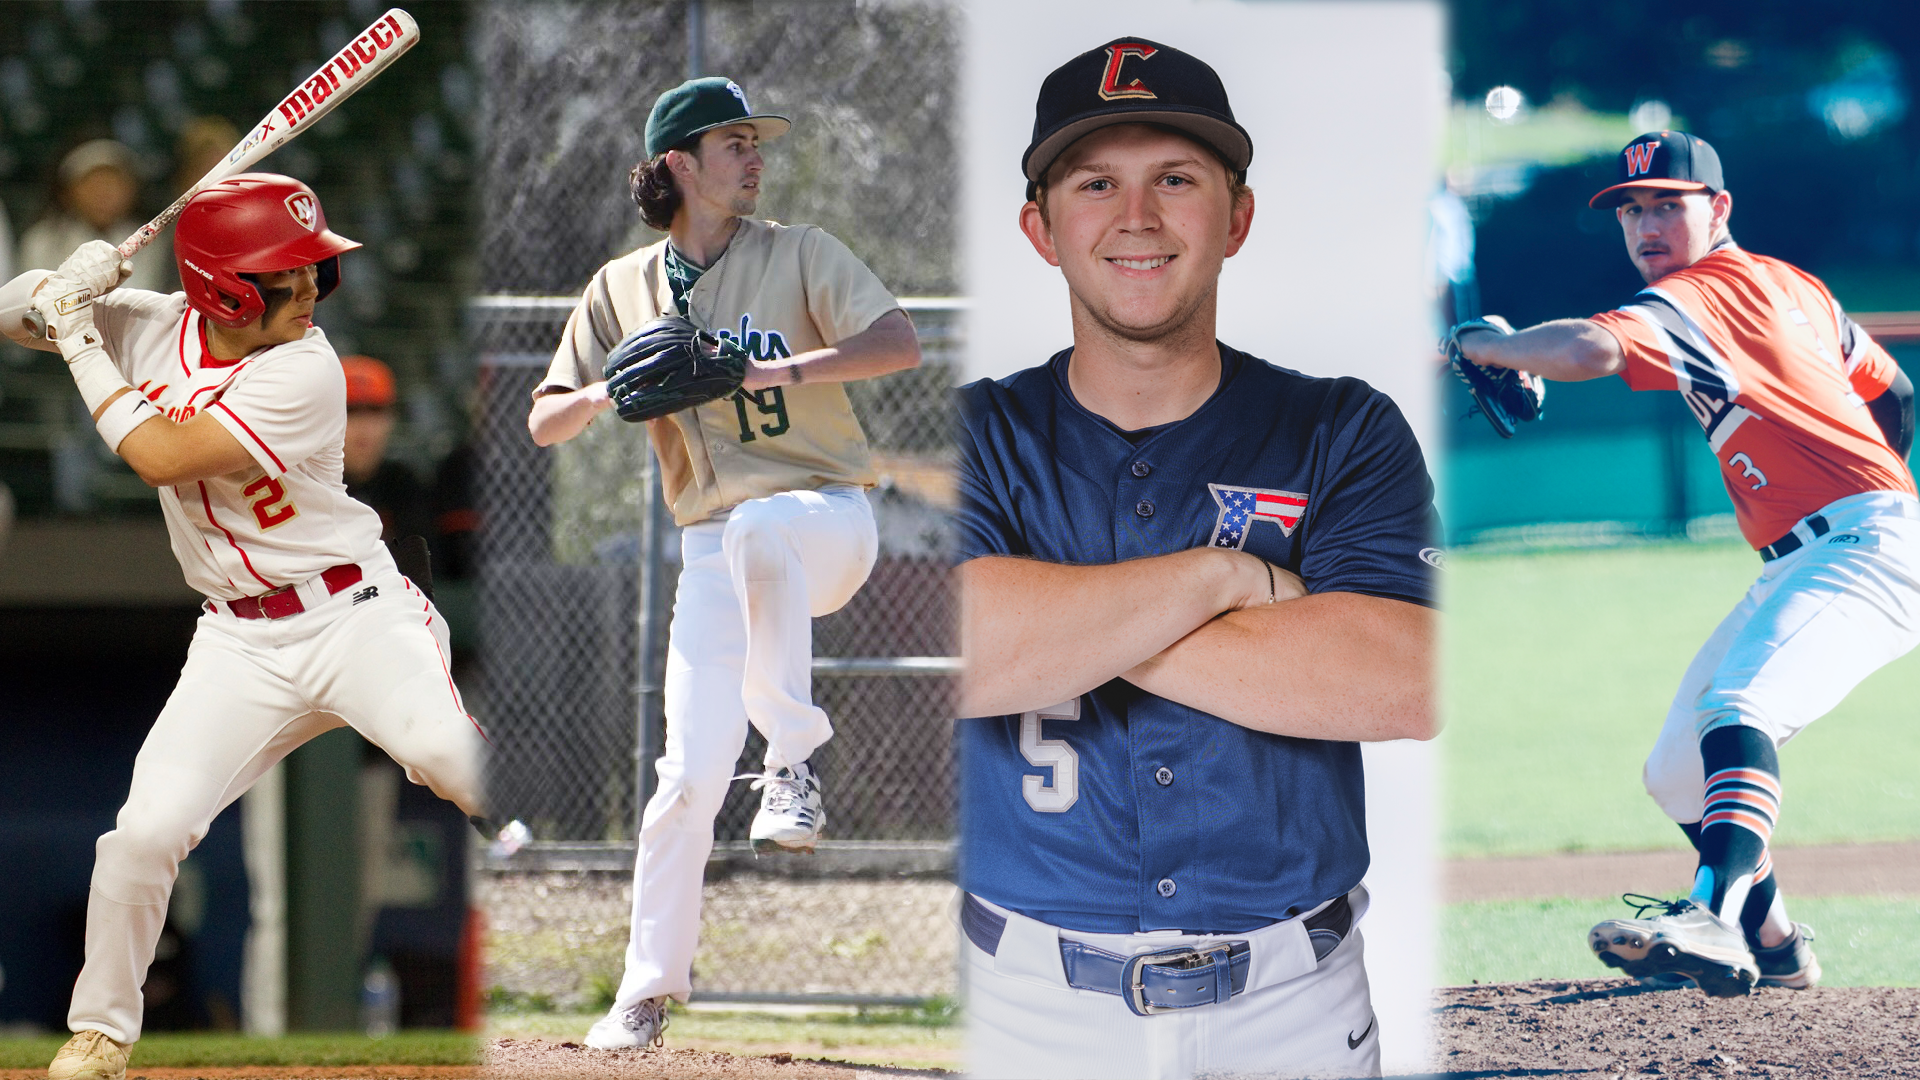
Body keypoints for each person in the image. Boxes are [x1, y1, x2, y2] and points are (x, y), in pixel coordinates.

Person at [955, 39, 1439, 1080]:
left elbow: (1404, 680)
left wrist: (1059, 626)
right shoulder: (972, 434)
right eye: (1097, 184)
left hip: (1295, 1006)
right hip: (1022, 1010)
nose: (1137, 216)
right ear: (1041, 229)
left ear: (1238, 218)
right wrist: (1224, 579)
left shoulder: (1340, 428)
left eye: (1176, 179)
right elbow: (955, 656)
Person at [0, 174, 489, 1080]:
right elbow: (12, 312)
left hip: (352, 613)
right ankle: (100, 1033)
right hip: (237, 640)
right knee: (144, 836)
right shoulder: (149, 324)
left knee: (453, 760)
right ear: (221, 288)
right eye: (284, 276)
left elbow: (161, 455)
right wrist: (65, 283)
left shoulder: (307, 368)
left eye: (312, 271)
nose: (308, 290)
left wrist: (79, 339)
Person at [1451, 130, 1917, 996]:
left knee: (1740, 706)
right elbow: (1893, 391)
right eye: (1631, 210)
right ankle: (1776, 948)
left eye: (1669, 204)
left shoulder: (1701, 293)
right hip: (1833, 546)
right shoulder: (1793, 286)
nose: (1647, 225)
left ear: (1719, 208)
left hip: (1861, 544)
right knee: (1675, 774)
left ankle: (1711, 917)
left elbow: (1589, 350)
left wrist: (1487, 345)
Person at [525, 76, 920, 1049]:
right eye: (733, 142)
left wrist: (773, 368)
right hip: (713, 548)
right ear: (678, 164)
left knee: (762, 527)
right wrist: (608, 396)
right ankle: (643, 995)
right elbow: (546, 420)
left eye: (756, 142)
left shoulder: (799, 251)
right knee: (688, 777)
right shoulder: (621, 288)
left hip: (826, 518)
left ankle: (791, 763)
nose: (754, 157)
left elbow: (897, 341)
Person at [19, 140, 167, 293]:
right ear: (68, 191)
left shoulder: (153, 242)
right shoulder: (41, 242)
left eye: (112, 183)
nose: (103, 194)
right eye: (93, 184)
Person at [339, 353, 432, 543]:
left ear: (391, 419)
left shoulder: (403, 485)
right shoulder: (306, 486)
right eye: (350, 411)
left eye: (375, 411)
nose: (364, 427)